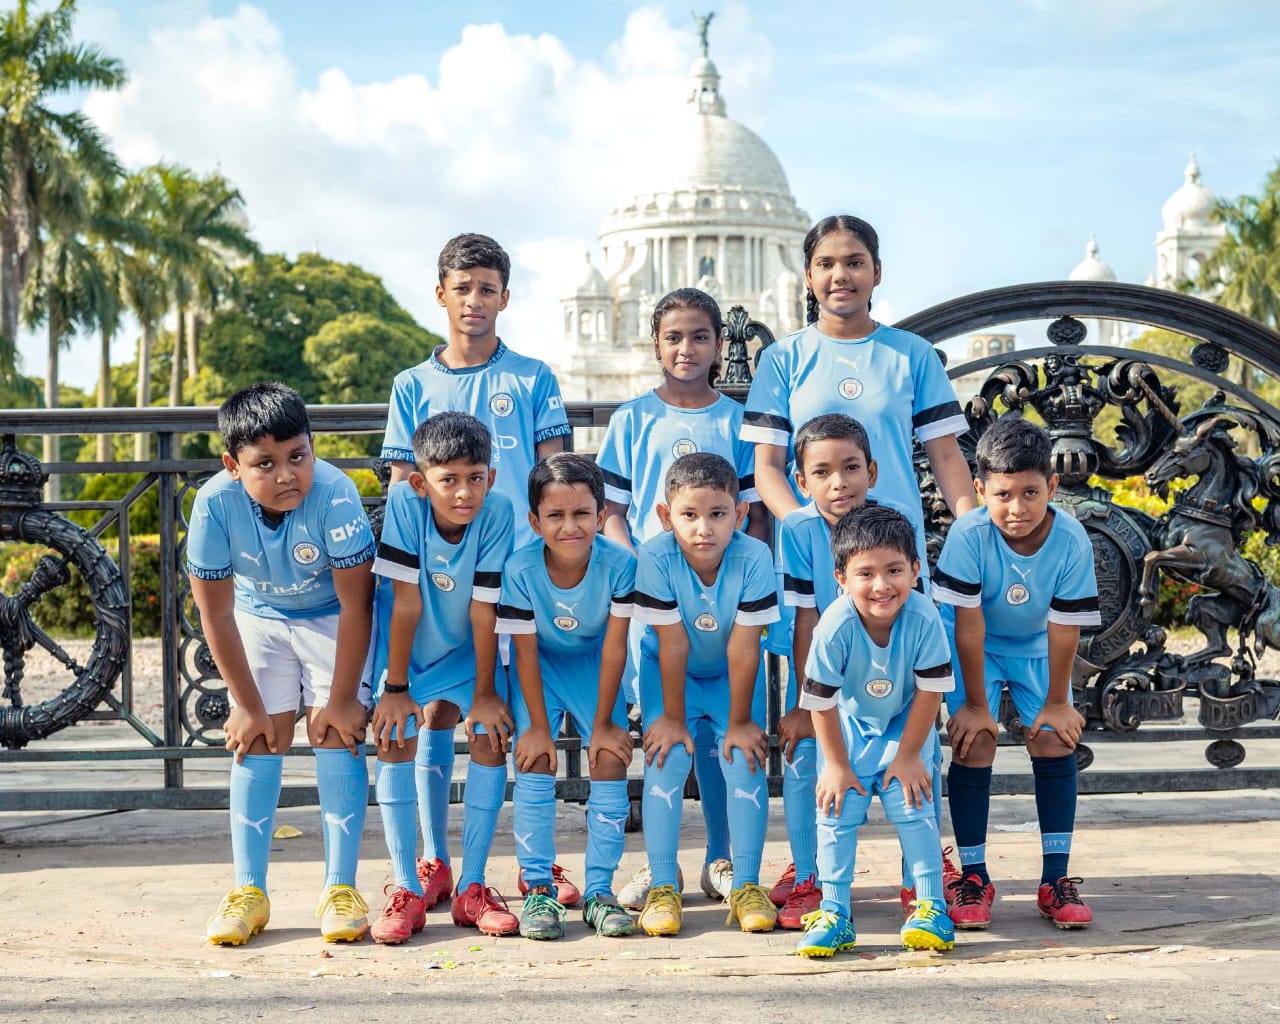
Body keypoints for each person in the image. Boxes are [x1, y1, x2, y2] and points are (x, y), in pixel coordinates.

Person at [741, 213, 975, 902]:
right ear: (808, 274)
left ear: (876, 271)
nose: (840, 275)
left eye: (854, 261)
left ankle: (920, 873)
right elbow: (765, 466)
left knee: (913, 705)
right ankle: (811, 869)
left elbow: (945, 455)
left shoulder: (911, 355)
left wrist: (969, 531)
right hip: (818, 555)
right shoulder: (783, 359)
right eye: (826, 264)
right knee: (818, 700)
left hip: (893, 561)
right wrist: (805, 522)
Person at [379, 232, 571, 912]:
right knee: (434, 715)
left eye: (487, 288)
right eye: (462, 288)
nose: (475, 300)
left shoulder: (533, 376)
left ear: (504, 297)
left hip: (517, 576)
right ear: (441, 295)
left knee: (518, 718)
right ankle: (431, 861)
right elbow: (403, 479)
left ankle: (533, 867)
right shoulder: (412, 384)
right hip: (438, 579)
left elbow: (554, 474)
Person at [596, 287, 765, 910]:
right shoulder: (633, 419)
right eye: (673, 337)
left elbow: (752, 512)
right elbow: (611, 512)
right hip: (657, 603)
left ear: (720, 344)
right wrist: (642, 564)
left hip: (726, 608)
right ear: (656, 344)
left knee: (728, 745)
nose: (686, 349)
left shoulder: (735, 420)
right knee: (665, 740)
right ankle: (658, 867)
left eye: (699, 336)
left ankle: (723, 864)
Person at [189, 382, 375, 946]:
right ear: (232, 465)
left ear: (313, 446)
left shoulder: (337, 495)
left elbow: (355, 604)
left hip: (330, 619)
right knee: (259, 739)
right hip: (258, 615)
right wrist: (245, 705)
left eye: (298, 455)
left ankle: (339, 887)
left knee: (335, 734)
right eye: (264, 464)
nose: (286, 474)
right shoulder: (213, 504)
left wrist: (343, 699)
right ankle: (249, 890)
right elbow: (216, 615)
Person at [932, 416, 1101, 930]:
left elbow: (1063, 627)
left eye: (1031, 493)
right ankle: (974, 875)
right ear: (980, 489)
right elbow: (968, 625)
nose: (1017, 508)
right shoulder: (969, 534)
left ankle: (1056, 879)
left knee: (1053, 737)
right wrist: (976, 706)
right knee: (974, 740)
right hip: (972, 645)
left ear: (1052, 485)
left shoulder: (1071, 538)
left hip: (1034, 645)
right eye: (1003, 494)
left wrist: (1056, 702)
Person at [366, 412, 516, 943]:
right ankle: (411, 882)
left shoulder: (498, 512)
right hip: (409, 653)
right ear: (419, 481)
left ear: (491, 478)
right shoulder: (406, 506)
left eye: (476, 477)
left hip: (468, 652)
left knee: (488, 736)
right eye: (447, 479)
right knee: (399, 733)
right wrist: (396, 688)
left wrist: (484, 692)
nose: (463, 492)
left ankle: (473, 886)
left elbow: (484, 609)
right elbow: (404, 602)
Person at [771, 413, 922, 929]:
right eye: (823, 471)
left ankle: (918, 882)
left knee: (921, 760)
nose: (840, 482)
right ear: (802, 481)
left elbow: (910, 610)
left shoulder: (897, 519)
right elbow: (804, 615)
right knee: (804, 755)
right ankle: (811, 875)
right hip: (826, 673)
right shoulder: (796, 529)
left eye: (851, 467)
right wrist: (799, 705)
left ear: (872, 471)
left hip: (895, 672)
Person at [629, 453, 780, 937]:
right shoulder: (654, 557)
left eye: (717, 514)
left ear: (739, 514)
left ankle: (746, 882)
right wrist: (671, 719)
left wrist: (739, 723)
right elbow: (671, 644)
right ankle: (661, 885)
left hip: (731, 676)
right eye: (689, 515)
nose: (703, 529)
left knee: (743, 757)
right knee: (667, 755)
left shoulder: (754, 556)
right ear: (665, 516)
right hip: (669, 673)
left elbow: (743, 645)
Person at [796, 504, 956, 958]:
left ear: (916, 570)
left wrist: (908, 758)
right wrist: (835, 764)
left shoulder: (924, 618)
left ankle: (930, 906)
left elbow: (929, 694)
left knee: (915, 805)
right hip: (847, 728)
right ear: (841, 578)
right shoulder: (835, 625)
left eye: (894, 570)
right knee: (836, 809)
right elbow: (821, 701)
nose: (882, 585)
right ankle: (834, 912)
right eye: (865, 573)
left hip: (907, 725)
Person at [498, 453, 638, 939]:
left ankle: (600, 890)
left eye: (582, 514)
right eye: (555, 516)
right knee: (534, 760)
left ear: (601, 516)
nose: (569, 526)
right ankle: (538, 890)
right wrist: (537, 726)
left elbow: (617, 646)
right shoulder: (518, 569)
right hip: (540, 670)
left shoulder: (620, 564)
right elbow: (525, 651)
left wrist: (603, 724)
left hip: (597, 667)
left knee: (609, 758)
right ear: (535, 521)